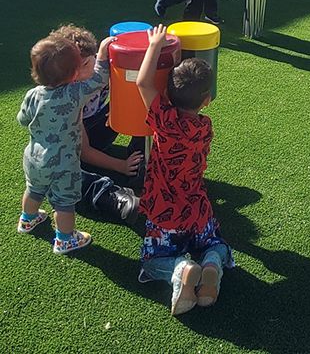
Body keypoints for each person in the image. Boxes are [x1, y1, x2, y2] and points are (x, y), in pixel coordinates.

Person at [136, 25, 233, 316]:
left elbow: (142, 83)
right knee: (215, 244)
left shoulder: (163, 122)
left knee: (152, 261)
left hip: (165, 213)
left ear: (167, 92)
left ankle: (181, 269)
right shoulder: (204, 128)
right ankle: (212, 263)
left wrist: (154, 45)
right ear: (206, 101)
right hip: (197, 209)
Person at [17, 31, 113, 253]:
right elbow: (99, 79)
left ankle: (27, 219)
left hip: (34, 157)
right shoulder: (74, 93)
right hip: (63, 162)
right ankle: (65, 239)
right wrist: (103, 54)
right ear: (74, 74)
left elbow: (23, 119)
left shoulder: (33, 94)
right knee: (64, 203)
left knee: (34, 189)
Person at [49, 24, 144, 188]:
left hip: (99, 123)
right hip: (78, 147)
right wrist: (121, 166)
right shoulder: (69, 97)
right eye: (70, 70)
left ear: (95, 56)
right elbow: (84, 152)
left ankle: (140, 155)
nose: (77, 74)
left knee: (142, 99)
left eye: (85, 64)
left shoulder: (103, 71)